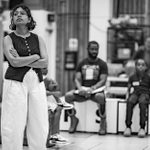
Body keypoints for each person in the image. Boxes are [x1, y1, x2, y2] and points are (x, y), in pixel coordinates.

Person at [2, 4, 49, 150]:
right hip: (15, 82)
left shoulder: (38, 38)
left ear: (29, 18)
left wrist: (24, 59)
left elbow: (45, 63)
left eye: (22, 13)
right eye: (15, 14)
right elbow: (14, 62)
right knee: (13, 121)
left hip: (37, 82)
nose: (18, 15)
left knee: (39, 120)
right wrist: (35, 57)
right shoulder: (8, 39)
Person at [65, 41, 108, 135]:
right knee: (68, 96)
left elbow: (103, 80)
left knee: (101, 97)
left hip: (95, 91)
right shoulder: (82, 63)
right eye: (92, 49)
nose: (94, 51)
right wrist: (80, 88)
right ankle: (73, 119)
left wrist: (92, 88)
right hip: (83, 92)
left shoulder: (102, 64)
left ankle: (103, 122)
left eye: (96, 49)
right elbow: (77, 79)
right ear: (88, 49)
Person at [41, 68, 72, 148]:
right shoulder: (35, 79)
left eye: (46, 68)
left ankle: (55, 134)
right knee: (50, 111)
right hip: (37, 101)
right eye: (43, 68)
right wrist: (52, 92)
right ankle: (48, 136)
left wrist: (53, 87)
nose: (46, 70)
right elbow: (40, 92)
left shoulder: (48, 79)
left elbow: (57, 91)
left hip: (46, 100)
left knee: (58, 108)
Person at [124, 58, 150, 138]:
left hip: (145, 94)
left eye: (143, 65)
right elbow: (128, 89)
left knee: (142, 103)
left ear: (146, 67)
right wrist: (127, 96)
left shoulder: (148, 77)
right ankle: (128, 127)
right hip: (135, 93)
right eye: (138, 65)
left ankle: (142, 128)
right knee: (130, 102)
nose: (140, 67)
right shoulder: (132, 77)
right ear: (135, 66)